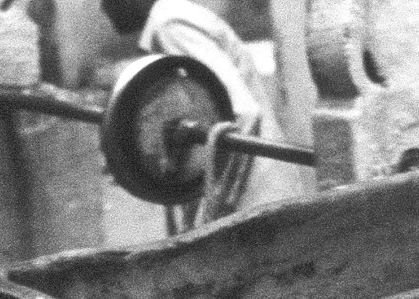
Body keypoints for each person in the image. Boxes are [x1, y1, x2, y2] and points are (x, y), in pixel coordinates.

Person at [101, 0, 294, 222]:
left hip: (258, 194)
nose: (102, 8)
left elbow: (243, 112)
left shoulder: (170, 25)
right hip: (263, 186)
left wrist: (219, 206)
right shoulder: (172, 16)